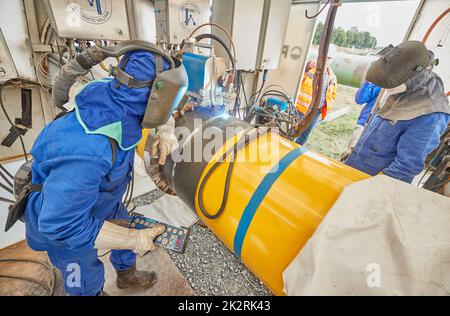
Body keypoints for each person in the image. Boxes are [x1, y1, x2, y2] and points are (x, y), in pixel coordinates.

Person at [23, 50, 179, 296]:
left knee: (124, 222)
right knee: (84, 276)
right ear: (152, 97)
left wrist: (165, 130)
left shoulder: (116, 92)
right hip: (67, 220)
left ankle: (127, 277)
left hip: (102, 198)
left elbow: (153, 102)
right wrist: (134, 241)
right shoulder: (89, 153)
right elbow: (61, 225)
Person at [344, 49, 450, 183]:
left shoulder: (431, 114)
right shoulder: (402, 93)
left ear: (413, 75)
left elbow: (405, 167)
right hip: (355, 169)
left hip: (373, 184)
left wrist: (370, 188)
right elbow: (377, 135)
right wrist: (354, 152)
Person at [295, 45, 337, 145]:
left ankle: (293, 153)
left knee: (304, 134)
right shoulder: (311, 69)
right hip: (301, 108)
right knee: (293, 131)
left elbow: (333, 95)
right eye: (325, 57)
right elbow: (297, 75)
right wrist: (308, 65)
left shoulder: (332, 77)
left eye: (329, 58)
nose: (326, 60)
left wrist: (323, 107)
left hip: (316, 111)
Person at [341, 81, 381, 161]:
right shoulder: (380, 81)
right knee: (349, 156)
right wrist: (368, 82)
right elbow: (360, 100)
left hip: (383, 129)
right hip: (364, 124)